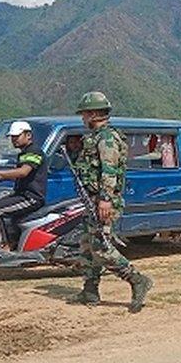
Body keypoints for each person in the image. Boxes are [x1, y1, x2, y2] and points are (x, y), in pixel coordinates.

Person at [68, 91, 154, 313]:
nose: (83, 119)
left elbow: (109, 171)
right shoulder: (95, 137)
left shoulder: (107, 138)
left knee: (102, 249)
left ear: (95, 114)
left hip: (102, 201)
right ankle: (90, 290)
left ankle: (137, 279)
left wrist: (105, 199)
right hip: (92, 200)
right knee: (87, 247)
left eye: (85, 114)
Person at [0, 121, 48, 255]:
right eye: (12, 137)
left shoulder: (34, 152)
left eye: (17, 136)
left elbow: (23, 172)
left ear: (28, 135)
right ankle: (11, 243)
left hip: (31, 197)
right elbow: (19, 174)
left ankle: (2, 249)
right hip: (21, 195)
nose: (13, 139)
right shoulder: (23, 153)